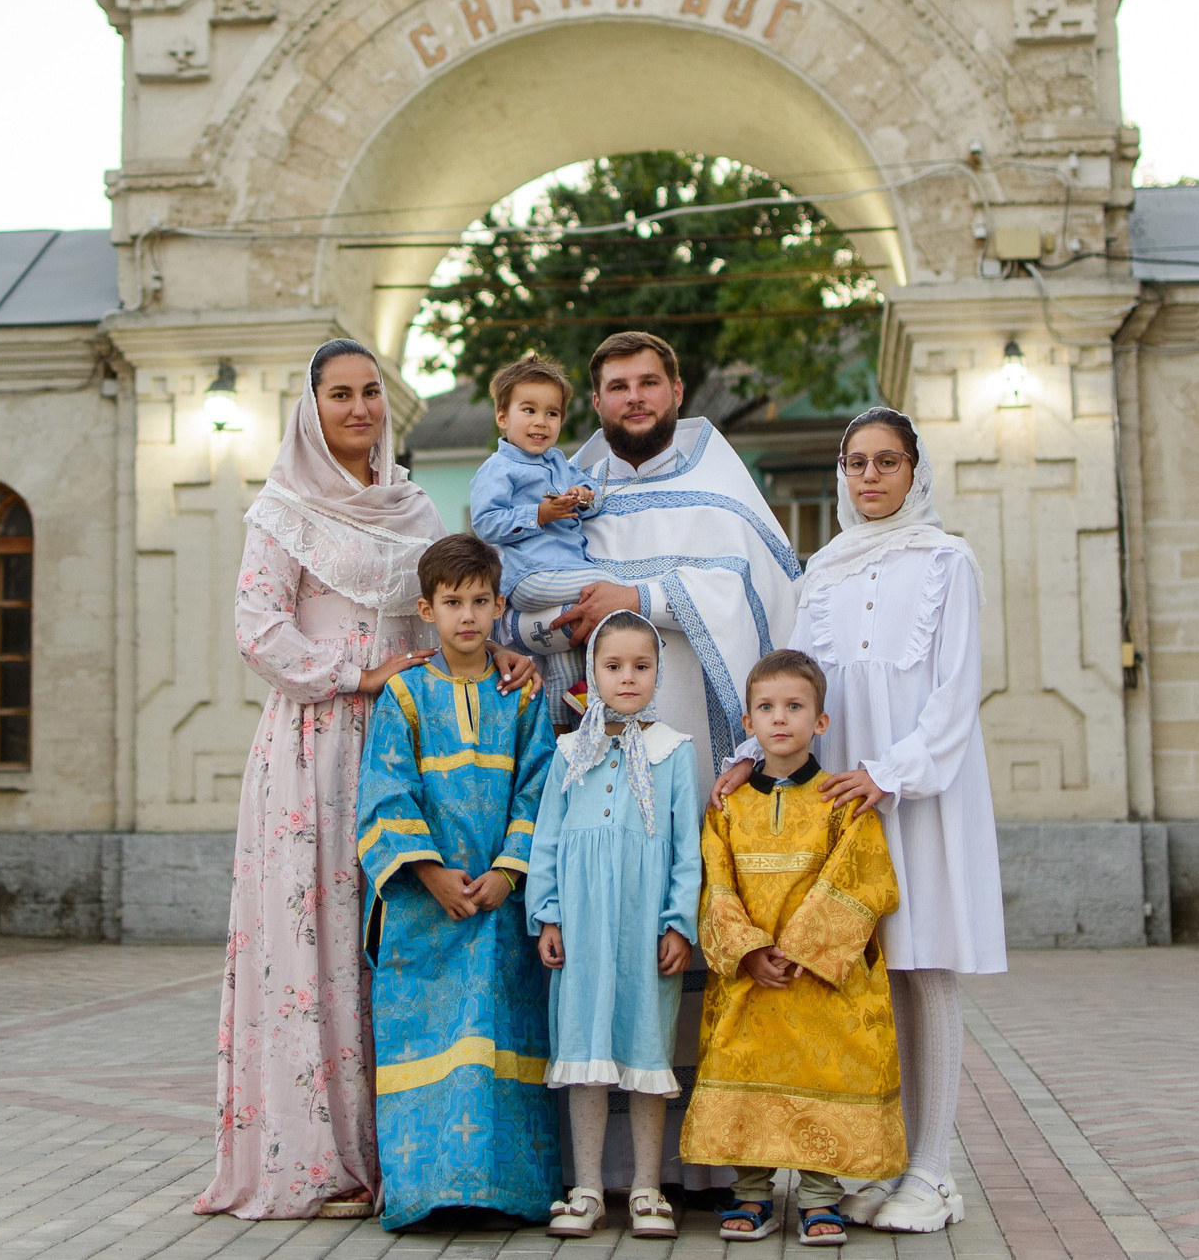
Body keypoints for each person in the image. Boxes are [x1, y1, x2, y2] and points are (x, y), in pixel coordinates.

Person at [201, 338, 535, 1222]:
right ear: (311, 409)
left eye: (371, 392)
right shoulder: (283, 509)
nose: (359, 408)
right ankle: (320, 1156)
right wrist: (357, 672)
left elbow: (444, 607)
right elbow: (257, 629)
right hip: (315, 745)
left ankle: (411, 1152)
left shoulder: (415, 507)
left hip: (411, 742)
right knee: (317, 938)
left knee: (396, 937)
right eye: (340, 394)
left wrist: (496, 652)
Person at [712, 407, 1004, 1235]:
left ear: (915, 470)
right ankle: (884, 1163)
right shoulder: (826, 569)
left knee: (925, 963)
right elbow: (796, 678)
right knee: (870, 972)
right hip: (840, 797)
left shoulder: (949, 561)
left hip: (918, 786)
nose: (869, 476)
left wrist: (892, 771)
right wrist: (748, 751)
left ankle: (934, 1170)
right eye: (856, 462)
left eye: (886, 461)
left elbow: (956, 687)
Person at [541, 329, 802, 1195]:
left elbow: (761, 592)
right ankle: (607, 1171)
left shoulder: (720, 483)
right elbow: (529, 587)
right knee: (611, 947)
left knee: (683, 929)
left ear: (677, 390)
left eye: (649, 382)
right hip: (598, 768)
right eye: (617, 386)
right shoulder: (574, 491)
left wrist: (644, 596)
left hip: (699, 747)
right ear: (597, 401)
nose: (635, 398)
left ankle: (708, 1162)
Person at [356, 533, 561, 1231]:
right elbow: (385, 793)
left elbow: (539, 787)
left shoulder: (521, 694)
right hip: (427, 909)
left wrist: (509, 871)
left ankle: (504, 1192)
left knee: (497, 1037)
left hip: (501, 903)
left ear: (500, 606)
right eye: (452, 602)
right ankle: (428, 1192)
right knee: (432, 1043)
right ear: (427, 610)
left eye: (479, 600)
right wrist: (431, 873)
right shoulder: (405, 694)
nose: (467, 615)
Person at [684, 651, 903, 1247]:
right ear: (748, 723)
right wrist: (747, 949)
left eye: (794, 706)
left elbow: (865, 878)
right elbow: (715, 882)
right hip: (750, 976)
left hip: (819, 977)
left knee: (822, 1070)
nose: (780, 718)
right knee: (744, 1063)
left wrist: (805, 949)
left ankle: (819, 1195)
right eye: (766, 707)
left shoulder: (841, 801)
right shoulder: (728, 806)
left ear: (820, 721)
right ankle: (752, 1192)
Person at [526, 610, 702, 1240]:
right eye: (613, 666)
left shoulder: (674, 751)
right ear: (593, 672)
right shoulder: (570, 752)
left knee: (646, 1044)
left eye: (641, 666)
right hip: (582, 924)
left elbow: (688, 852)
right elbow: (547, 839)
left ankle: (649, 1188)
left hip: (643, 925)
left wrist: (678, 924)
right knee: (584, 1047)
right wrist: (547, 914)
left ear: (658, 672)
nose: (628, 677)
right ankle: (588, 1189)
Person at [468, 354, 600, 665]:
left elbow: (593, 499)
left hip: (565, 571)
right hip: (530, 576)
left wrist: (582, 495)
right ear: (502, 417)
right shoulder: (498, 468)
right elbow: (485, 524)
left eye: (552, 413)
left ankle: (560, 698)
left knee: (568, 661)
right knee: (613, 588)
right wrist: (538, 515)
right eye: (529, 410)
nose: (541, 421)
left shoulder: (559, 462)